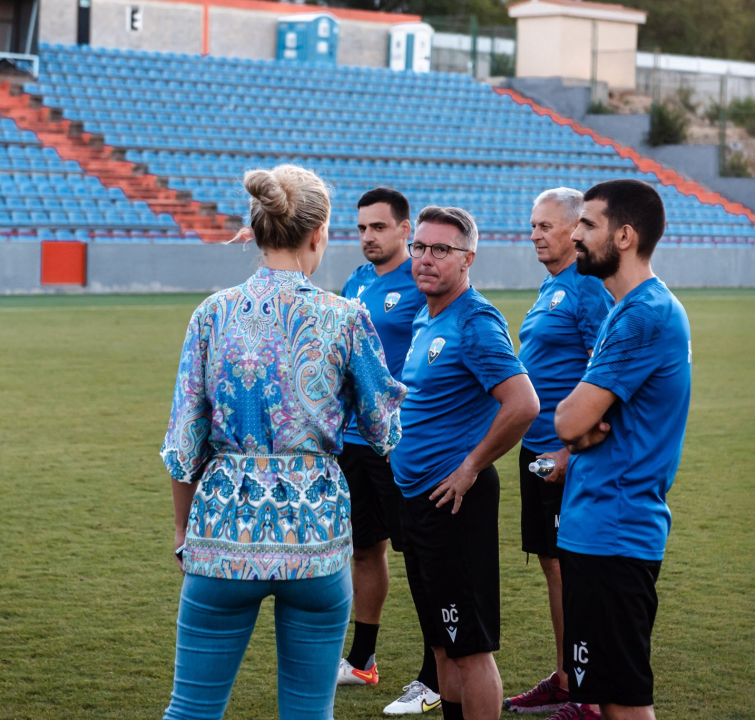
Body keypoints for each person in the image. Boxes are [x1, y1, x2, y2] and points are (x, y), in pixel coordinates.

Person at [160, 164, 408, 720]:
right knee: (309, 712)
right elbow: (384, 430)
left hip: (222, 531)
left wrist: (182, 531)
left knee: (191, 709)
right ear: (318, 234)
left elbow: (184, 443)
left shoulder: (211, 314)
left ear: (256, 230)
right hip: (315, 536)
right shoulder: (345, 317)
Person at [392, 206, 540, 720]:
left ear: (468, 258)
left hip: (454, 500)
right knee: (441, 643)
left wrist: (471, 465)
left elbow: (523, 403)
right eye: (419, 247)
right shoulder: (426, 314)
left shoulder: (475, 322)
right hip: (416, 497)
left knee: (469, 648)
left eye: (441, 249)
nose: (425, 259)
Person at [554, 179, 692, 720]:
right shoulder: (626, 307)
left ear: (625, 236)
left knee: (624, 703)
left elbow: (569, 420)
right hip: (600, 526)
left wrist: (577, 431)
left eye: (588, 224)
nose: (575, 235)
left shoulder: (643, 314)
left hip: (615, 531)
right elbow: (580, 425)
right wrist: (580, 432)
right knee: (605, 696)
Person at [503, 189, 613, 720]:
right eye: (532, 226)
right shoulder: (553, 285)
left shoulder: (588, 288)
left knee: (574, 571)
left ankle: (589, 695)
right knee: (554, 567)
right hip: (537, 451)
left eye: (545, 226)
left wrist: (570, 451)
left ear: (575, 230)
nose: (534, 235)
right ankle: (569, 678)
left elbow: (604, 373)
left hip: (567, 456)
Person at [337, 188, 441, 716]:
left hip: (400, 444)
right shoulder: (356, 281)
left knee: (421, 558)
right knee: (364, 550)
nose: (368, 237)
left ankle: (435, 674)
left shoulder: (422, 281)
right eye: (361, 228)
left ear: (405, 230)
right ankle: (362, 660)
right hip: (352, 441)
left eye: (378, 227)